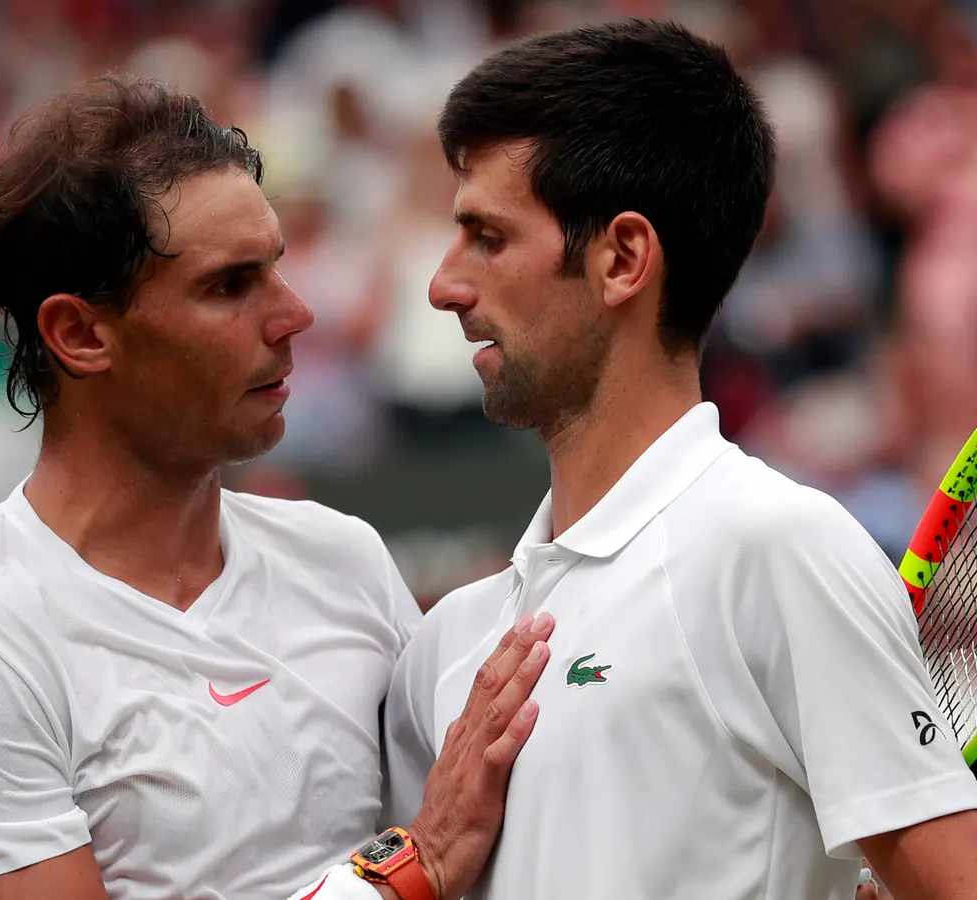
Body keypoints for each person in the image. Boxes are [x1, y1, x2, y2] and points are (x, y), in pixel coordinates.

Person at [0, 76, 552, 900]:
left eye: (278, 270)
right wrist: (412, 869)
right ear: (79, 334)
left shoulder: (345, 559)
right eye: (230, 285)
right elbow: (434, 846)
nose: (294, 315)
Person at [383, 19, 977, 900]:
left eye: (489, 237)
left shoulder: (776, 549)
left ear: (623, 257)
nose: (444, 284)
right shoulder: (444, 646)